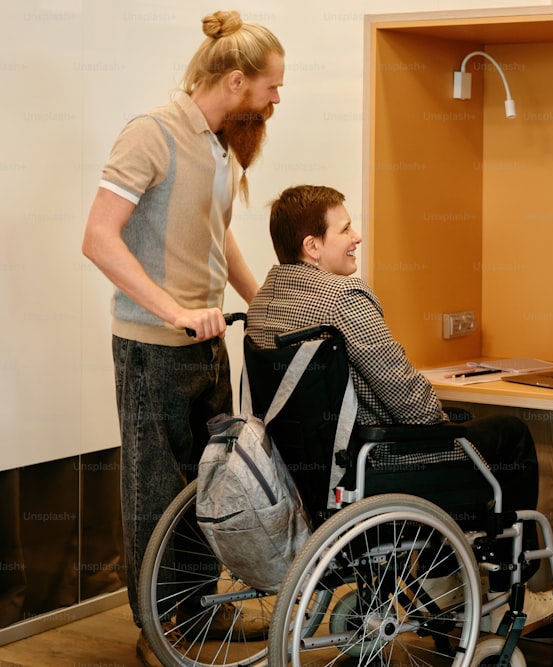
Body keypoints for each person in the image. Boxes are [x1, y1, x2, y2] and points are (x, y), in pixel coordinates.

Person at [245, 184, 553, 630]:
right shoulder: (343, 299)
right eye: (346, 228)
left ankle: (445, 578)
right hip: (373, 467)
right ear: (312, 247)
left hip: (301, 476)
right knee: (508, 434)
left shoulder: (263, 302)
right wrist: (446, 424)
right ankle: (505, 590)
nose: (357, 237)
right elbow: (409, 400)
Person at [81, 10, 284, 666]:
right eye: (272, 86)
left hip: (205, 339)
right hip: (150, 347)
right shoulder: (153, 133)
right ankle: (157, 625)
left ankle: (194, 611)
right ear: (234, 80)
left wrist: (263, 302)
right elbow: (98, 238)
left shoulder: (219, 143)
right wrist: (172, 309)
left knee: (206, 483)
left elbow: (214, 232)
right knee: (154, 490)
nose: (277, 98)